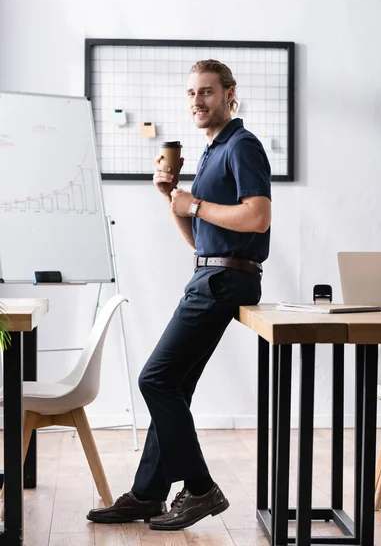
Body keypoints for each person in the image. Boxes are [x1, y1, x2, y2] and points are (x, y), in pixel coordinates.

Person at [87, 59, 271, 531]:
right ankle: (149, 494)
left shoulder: (242, 146)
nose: (197, 101)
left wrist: (196, 203)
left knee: (156, 380)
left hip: (224, 280)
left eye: (207, 92)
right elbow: (200, 239)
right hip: (208, 273)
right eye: (191, 94)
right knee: (173, 387)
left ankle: (201, 488)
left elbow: (258, 218)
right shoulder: (212, 151)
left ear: (230, 94)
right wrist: (170, 196)